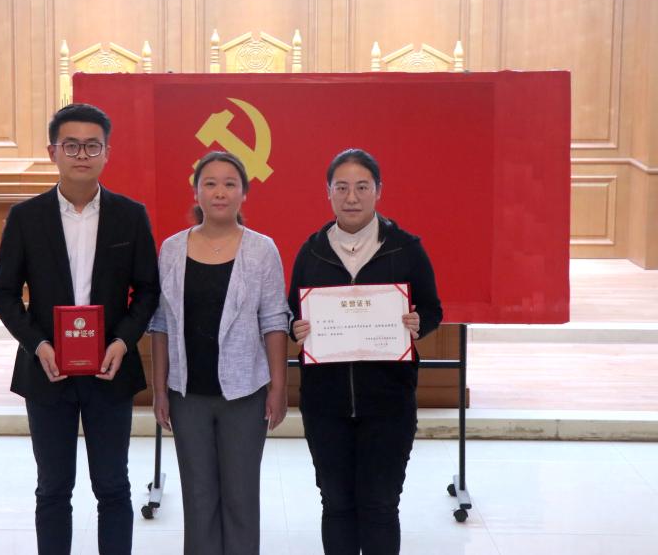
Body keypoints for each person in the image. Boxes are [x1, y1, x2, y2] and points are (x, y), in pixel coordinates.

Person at [0, 103, 160, 555]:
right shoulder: (26, 217)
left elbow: (147, 290)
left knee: (113, 487)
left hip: (109, 369)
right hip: (48, 371)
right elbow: (3, 293)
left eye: (92, 146)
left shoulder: (130, 215)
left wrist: (123, 341)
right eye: (71, 145)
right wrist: (37, 344)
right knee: (52, 488)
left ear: (107, 153)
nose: (82, 154)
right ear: (53, 152)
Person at [288, 148, 443, 555]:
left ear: (378, 191)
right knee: (336, 504)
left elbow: (432, 309)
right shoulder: (312, 250)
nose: (352, 197)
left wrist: (418, 322)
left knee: (379, 506)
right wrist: (295, 327)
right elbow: (292, 311)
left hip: (388, 403)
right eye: (341, 188)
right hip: (325, 404)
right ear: (328, 193)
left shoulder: (405, 248)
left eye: (362, 187)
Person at [148, 151, 290, 555]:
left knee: (241, 497)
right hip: (187, 393)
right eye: (210, 183)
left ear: (244, 193)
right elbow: (161, 324)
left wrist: (279, 388)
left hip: (245, 394)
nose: (220, 192)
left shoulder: (262, 249)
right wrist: (159, 390)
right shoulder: (172, 249)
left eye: (230, 184)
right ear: (197, 192)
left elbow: (274, 322)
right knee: (198, 498)